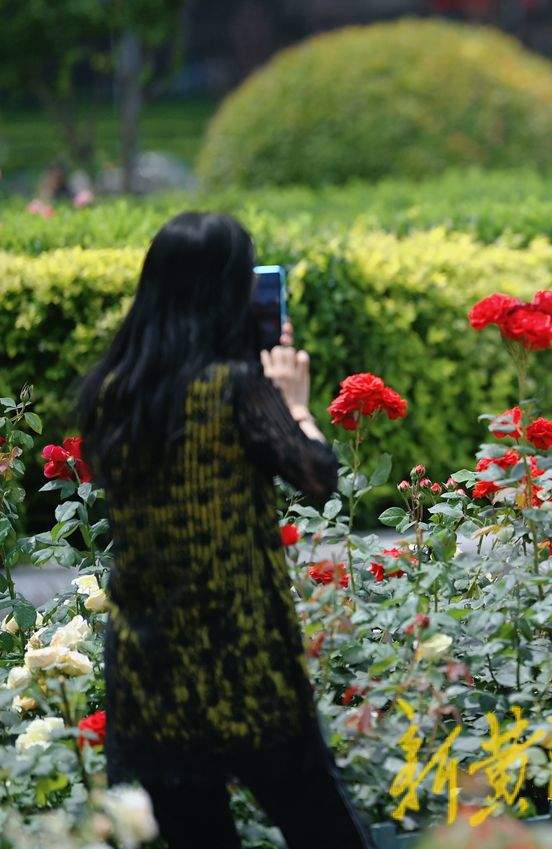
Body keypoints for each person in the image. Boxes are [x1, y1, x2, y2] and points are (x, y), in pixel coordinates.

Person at [78, 212, 373, 849]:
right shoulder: (235, 388)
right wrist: (294, 402)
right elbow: (318, 476)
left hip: (150, 668)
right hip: (244, 660)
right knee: (324, 829)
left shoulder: (112, 390)